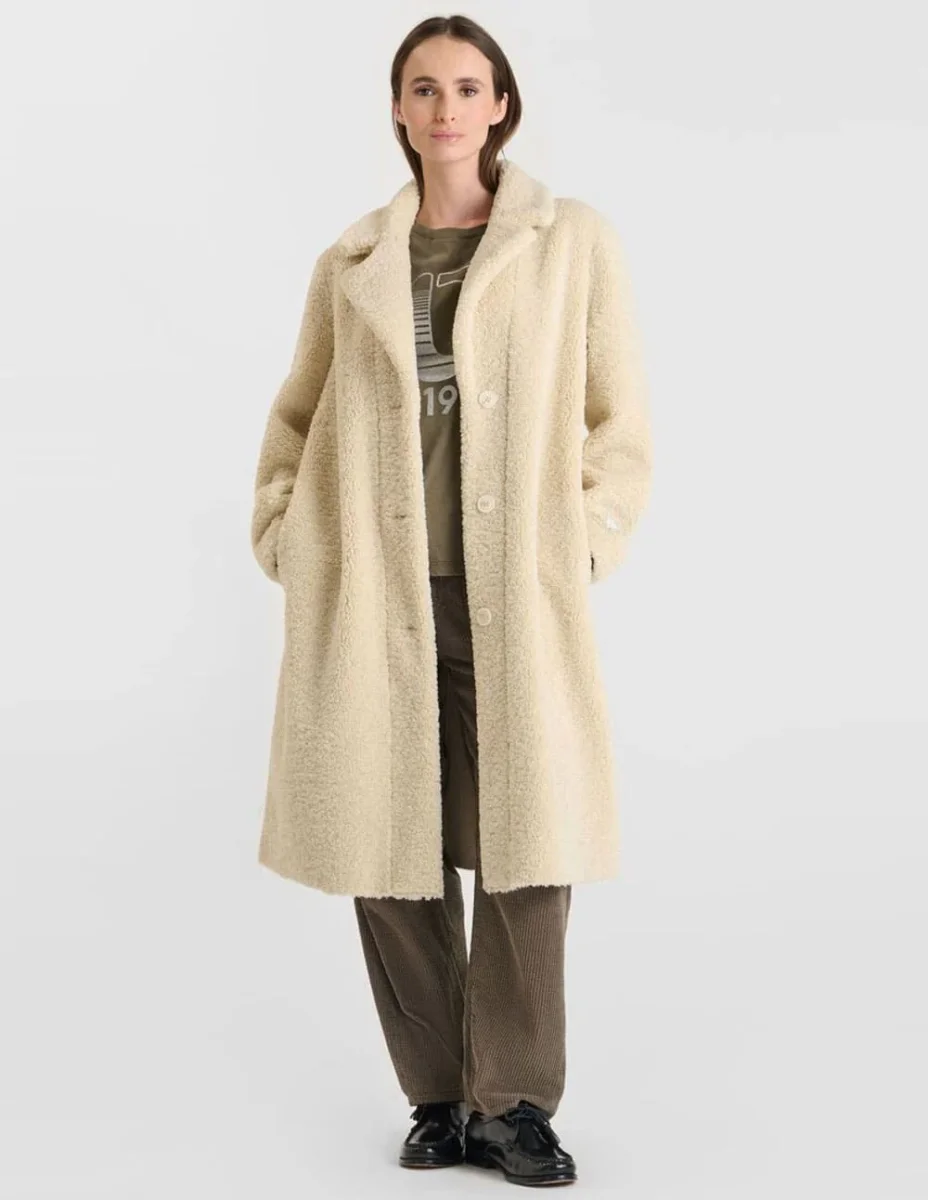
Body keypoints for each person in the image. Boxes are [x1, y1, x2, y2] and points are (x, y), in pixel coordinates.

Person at [249, 13, 653, 1189]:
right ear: (397, 108)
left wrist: (583, 543)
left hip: (513, 596)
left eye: (467, 87)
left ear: (502, 105)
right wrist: (289, 536)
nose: (445, 109)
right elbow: (294, 416)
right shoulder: (353, 263)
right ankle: (437, 1100)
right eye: (422, 88)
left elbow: (618, 421)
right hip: (375, 594)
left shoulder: (568, 242)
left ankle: (512, 1104)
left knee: (530, 849)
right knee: (388, 848)